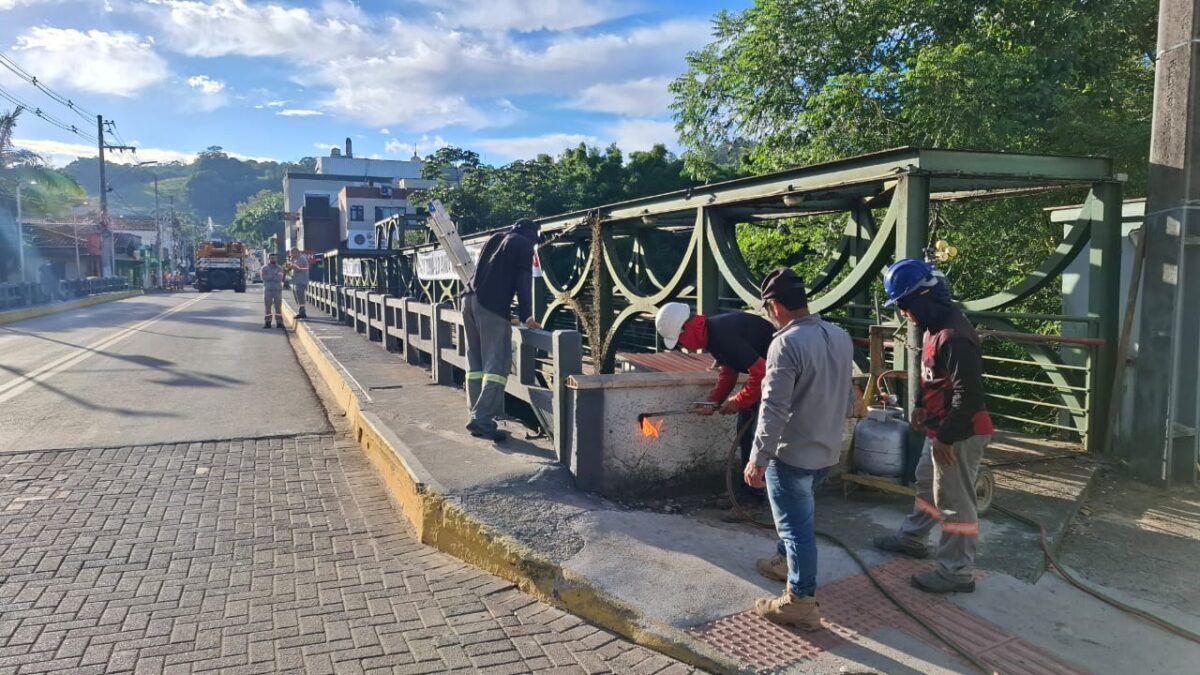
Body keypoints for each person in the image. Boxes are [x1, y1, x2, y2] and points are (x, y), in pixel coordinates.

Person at [873, 258, 993, 594]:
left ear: (924, 296)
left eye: (905, 306)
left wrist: (945, 437)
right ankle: (913, 538)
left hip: (960, 432)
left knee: (954, 501)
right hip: (942, 427)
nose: (903, 314)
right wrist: (921, 407)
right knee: (927, 483)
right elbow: (935, 377)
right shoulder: (933, 328)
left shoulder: (954, 336)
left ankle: (956, 572)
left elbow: (967, 394)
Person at [744, 268, 854, 630]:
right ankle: (783, 562)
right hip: (827, 451)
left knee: (796, 529)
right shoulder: (839, 336)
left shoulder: (785, 343)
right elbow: (846, 395)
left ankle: (801, 601)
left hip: (791, 455)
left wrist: (758, 457)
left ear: (774, 306)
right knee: (796, 520)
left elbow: (773, 406)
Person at [655, 302, 774, 514]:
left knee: (754, 439)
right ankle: (745, 493)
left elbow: (762, 372)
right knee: (745, 436)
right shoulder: (715, 335)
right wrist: (713, 402)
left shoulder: (722, 334)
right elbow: (729, 370)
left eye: (681, 340)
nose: (685, 346)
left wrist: (738, 400)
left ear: (688, 328)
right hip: (768, 384)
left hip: (779, 384)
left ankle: (755, 500)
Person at [462, 218, 542, 441]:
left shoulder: (496, 238)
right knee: (496, 366)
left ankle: (476, 414)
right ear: (533, 234)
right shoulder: (524, 245)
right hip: (492, 305)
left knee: (475, 363)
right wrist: (527, 315)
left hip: (468, 300)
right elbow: (523, 282)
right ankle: (482, 420)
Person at [261, 252, 285, 329]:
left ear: (276, 258)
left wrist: (270, 276)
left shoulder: (280, 268)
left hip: (277, 290)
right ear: (268, 259)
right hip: (268, 290)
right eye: (271, 258)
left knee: (278, 307)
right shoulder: (264, 268)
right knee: (268, 307)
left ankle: (279, 323)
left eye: (274, 258)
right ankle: (268, 323)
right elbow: (264, 278)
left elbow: (279, 278)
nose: (273, 259)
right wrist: (274, 275)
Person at [289, 248, 312, 319]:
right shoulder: (297, 259)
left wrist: (291, 261)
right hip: (297, 281)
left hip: (301, 281)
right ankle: (301, 311)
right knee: (298, 297)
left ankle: (302, 313)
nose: (291, 255)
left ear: (297, 252)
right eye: (290, 253)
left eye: (292, 253)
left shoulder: (301, 258)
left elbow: (296, 268)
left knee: (300, 297)